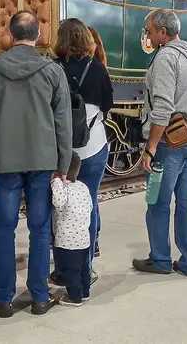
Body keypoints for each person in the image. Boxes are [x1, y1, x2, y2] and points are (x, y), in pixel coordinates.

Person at [0, 11, 73, 318]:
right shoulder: (53, 72)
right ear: (38, 36)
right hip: (42, 161)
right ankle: (40, 297)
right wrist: (63, 164)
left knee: (4, 229)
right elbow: (63, 123)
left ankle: (3, 299)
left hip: (3, 161)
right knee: (40, 230)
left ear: (11, 35)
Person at [133, 9, 187, 278]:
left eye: (150, 31)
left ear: (163, 33)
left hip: (168, 144)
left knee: (157, 202)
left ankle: (161, 259)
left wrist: (151, 148)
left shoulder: (165, 58)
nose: (148, 35)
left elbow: (162, 108)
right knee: (186, 201)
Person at [48, 19, 113, 286]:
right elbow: (108, 104)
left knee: (58, 207)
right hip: (94, 146)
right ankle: (85, 269)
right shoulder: (97, 68)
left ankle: (62, 269)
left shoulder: (53, 70)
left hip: (60, 151)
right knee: (89, 203)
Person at [50, 168, 93, 306]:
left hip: (67, 240)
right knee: (83, 268)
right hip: (84, 238)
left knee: (71, 271)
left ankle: (74, 297)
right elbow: (91, 206)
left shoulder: (62, 187)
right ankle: (85, 292)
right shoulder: (83, 186)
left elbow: (58, 202)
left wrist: (55, 181)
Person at [86, 26, 108, 258]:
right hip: (96, 141)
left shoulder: (63, 69)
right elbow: (107, 106)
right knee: (91, 195)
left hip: (76, 147)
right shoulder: (101, 69)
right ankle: (95, 240)